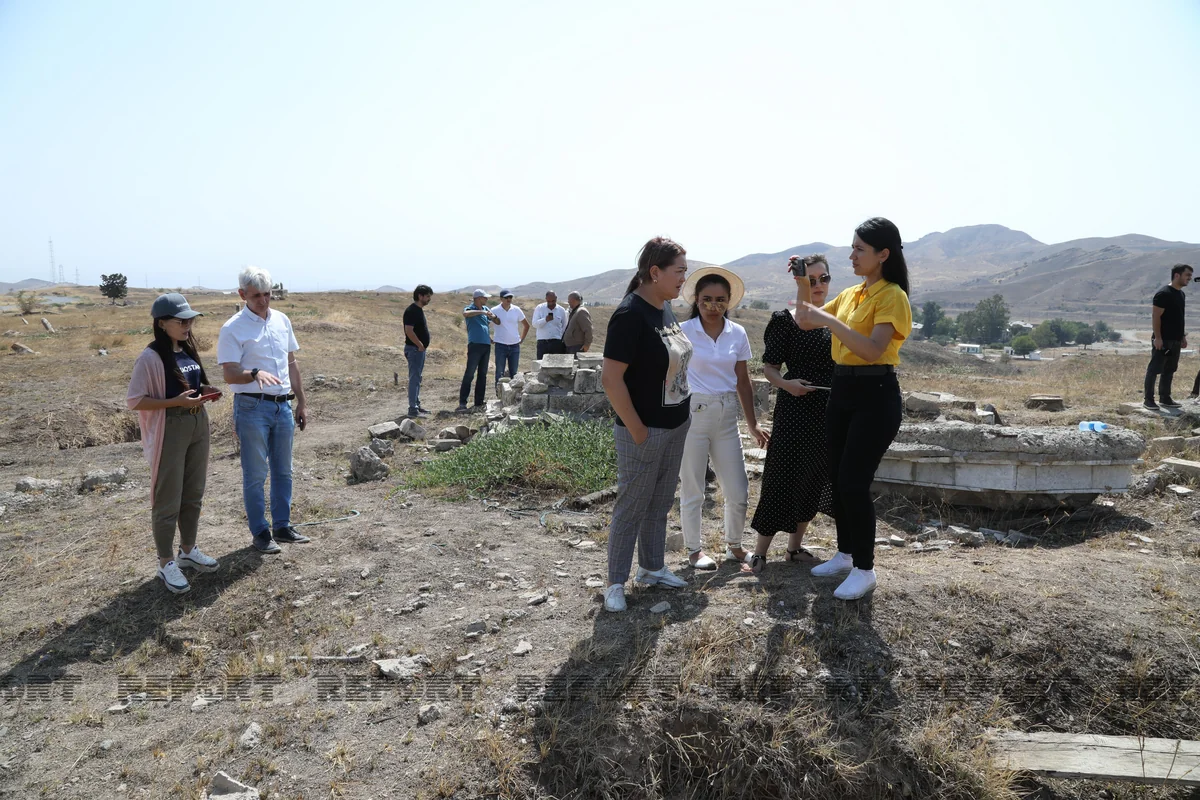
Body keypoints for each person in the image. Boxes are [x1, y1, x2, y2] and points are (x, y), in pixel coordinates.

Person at [796, 218, 912, 601]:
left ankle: (865, 568)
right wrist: (802, 284)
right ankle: (845, 555)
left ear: (883, 254)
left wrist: (828, 319)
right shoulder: (851, 294)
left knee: (853, 481)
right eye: (852, 248)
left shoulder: (892, 295)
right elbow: (803, 319)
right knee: (837, 476)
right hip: (843, 388)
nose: (851, 256)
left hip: (876, 393)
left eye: (860, 249)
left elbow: (871, 349)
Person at [601, 237, 694, 612]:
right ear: (654, 273)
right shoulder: (629, 315)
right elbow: (611, 379)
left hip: (675, 424)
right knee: (631, 506)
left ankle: (653, 567)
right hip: (644, 429)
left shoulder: (664, 307)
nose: (683, 279)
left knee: (658, 503)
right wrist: (638, 429)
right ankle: (615, 583)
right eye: (679, 272)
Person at [126, 293, 223, 593]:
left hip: (197, 423)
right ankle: (165, 562)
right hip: (171, 427)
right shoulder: (150, 357)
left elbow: (191, 385)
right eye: (182, 321)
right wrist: (174, 402)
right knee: (168, 497)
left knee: (193, 491)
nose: (188, 325)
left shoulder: (186, 350)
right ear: (162, 323)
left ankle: (188, 550)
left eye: (190, 319)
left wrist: (205, 389)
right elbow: (135, 400)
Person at [747, 255, 836, 573]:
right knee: (780, 476)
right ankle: (759, 552)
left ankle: (795, 549)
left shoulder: (836, 318)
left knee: (813, 477)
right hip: (794, 409)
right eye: (810, 280)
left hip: (827, 411)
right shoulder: (784, 319)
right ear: (800, 282)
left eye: (823, 278)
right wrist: (787, 384)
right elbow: (769, 368)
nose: (818, 285)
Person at [677, 267, 769, 570]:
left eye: (720, 300)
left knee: (738, 489)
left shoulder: (737, 333)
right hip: (693, 414)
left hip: (727, 416)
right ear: (696, 300)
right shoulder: (684, 331)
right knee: (693, 487)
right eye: (706, 300)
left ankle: (734, 546)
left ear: (729, 302)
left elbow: (743, 381)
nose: (712, 306)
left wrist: (752, 423)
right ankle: (694, 550)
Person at [217, 266, 310, 555]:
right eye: (256, 295)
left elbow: (291, 362)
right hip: (251, 407)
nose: (263, 300)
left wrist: (302, 401)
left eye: (268, 294)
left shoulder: (282, 320)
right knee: (255, 473)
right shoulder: (232, 328)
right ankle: (260, 532)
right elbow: (230, 374)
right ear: (242, 294)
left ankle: (282, 526)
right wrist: (253, 374)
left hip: (283, 405)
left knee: (284, 470)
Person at [1144, 263, 1192, 409]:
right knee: (1154, 369)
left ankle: (1165, 398)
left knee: (1169, 369)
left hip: (1175, 341)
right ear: (1177, 275)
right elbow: (1156, 317)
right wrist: (1158, 338)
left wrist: (1182, 336)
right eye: (1187, 275)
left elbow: (1179, 317)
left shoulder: (1181, 294)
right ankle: (1148, 400)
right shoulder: (1163, 293)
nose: (1189, 278)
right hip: (1163, 341)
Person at [459, 289, 500, 412]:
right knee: (470, 373)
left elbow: (496, 322)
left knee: (482, 374)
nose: (486, 299)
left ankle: (479, 402)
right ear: (478, 298)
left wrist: (494, 317)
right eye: (484, 298)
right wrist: (482, 311)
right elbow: (466, 314)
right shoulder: (470, 308)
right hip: (475, 345)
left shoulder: (486, 310)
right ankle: (462, 402)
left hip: (486, 345)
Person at [491, 289, 529, 395]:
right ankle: (499, 395)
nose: (509, 300)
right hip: (500, 345)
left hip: (514, 346)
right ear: (501, 299)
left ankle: (513, 396)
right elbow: (485, 324)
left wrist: (522, 339)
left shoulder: (516, 310)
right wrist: (488, 337)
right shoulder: (494, 310)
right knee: (499, 372)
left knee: (514, 373)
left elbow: (526, 325)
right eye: (506, 298)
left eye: (510, 297)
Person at [403, 284, 433, 418]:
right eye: (427, 296)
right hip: (414, 349)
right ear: (420, 296)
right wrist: (420, 345)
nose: (429, 299)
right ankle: (412, 409)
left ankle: (416, 404)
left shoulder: (418, 310)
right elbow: (408, 331)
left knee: (417, 378)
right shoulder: (411, 311)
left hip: (419, 350)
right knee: (414, 378)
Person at [532, 290, 568, 359]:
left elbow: (564, 326)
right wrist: (545, 320)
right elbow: (534, 324)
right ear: (546, 299)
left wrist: (559, 337)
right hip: (542, 343)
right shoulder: (539, 308)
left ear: (556, 298)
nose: (551, 303)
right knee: (541, 365)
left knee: (556, 366)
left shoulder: (561, 310)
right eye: (549, 301)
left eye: (553, 301)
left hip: (556, 343)